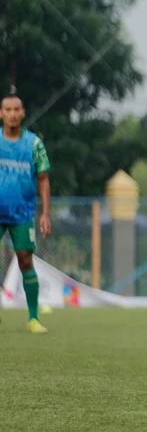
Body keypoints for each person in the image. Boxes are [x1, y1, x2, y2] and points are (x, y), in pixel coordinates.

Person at [0, 93, 51, 334]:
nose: (11, 114)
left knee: (25, 259)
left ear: (22, 113)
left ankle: (33, 318)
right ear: (1, 113)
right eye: (7, 109)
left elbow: (43, 179)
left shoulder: (33, 144)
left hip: (22, 213)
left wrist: (45, 214)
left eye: (15, 109)